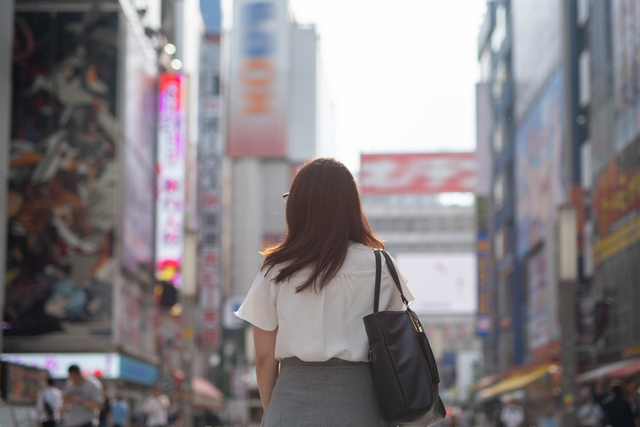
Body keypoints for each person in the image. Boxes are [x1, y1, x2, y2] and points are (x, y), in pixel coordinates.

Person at [234, 158, 415, 426]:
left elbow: (263, 357)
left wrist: (274, 411)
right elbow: (398, 342)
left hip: (291, 404)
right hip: (363, 405)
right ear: (351, 206)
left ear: (298, 207)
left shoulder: (277, 268)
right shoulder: (379, 265)